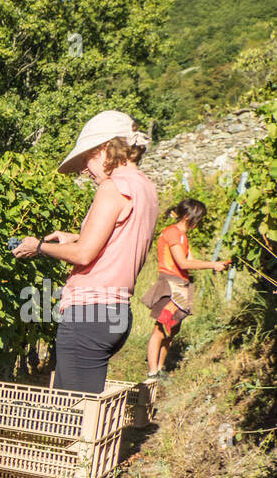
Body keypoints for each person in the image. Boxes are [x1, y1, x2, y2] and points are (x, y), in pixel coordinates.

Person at [12, 110, 158, 394]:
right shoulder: (144, 187)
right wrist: (76, 236)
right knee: (76, 408)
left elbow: (84, 254)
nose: (84, 169)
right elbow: (123, 237)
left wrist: (39, 247)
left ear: (105, 148)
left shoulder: (112, 187)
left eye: (86, 159)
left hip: (89, 313)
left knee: (77, 417)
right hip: (115, 312)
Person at [143, 198, 230, 380]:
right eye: (198, 218)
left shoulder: (183, 236)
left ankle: (160, 368)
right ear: (187, 216)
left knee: (172, 330)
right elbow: (183, 262)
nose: (198, 222)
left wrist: (214, 264)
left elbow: (189, 262)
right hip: (170, 286)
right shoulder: (173, 233)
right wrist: (212, 264)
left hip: (181, 286)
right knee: (160, 329)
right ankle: (152, 372)